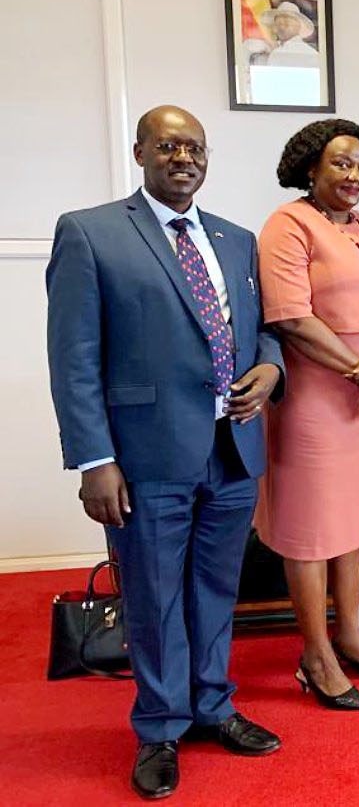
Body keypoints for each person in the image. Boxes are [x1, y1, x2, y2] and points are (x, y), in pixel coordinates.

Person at [46, 105, 285, 799]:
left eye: (195, 147)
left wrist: (269, 370)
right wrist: (94, 458)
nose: (184, 157)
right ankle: (158, 726)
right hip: (144, 454)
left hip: (234, 449)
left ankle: (212, 705)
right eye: (169, 145)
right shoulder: (91, 233)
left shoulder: (236, 240)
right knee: (152, 595)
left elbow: (263, 332)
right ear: (141, 152)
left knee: (217, 589)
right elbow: (75, 357)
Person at [258, 119, 359, 707]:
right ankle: (315, 655)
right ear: (310, 168)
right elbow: (291, 318)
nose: (355, 176)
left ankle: (350, 634)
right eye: (341, 164)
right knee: (310, 529)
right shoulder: (288, 224)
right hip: (313, 399)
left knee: (352, 523)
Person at [261, 0, 319, 66]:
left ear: (298, 26)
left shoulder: (310, 54)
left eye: (287, 21)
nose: (282, 24)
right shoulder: (312, 53)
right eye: (279, 22)